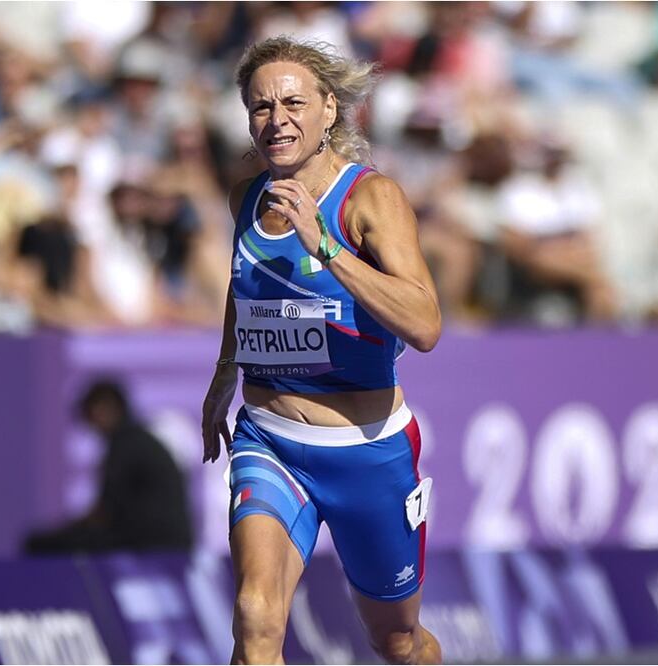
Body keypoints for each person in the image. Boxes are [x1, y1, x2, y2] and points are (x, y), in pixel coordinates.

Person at [200, 37, 442, 665]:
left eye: (293, 103)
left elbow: (424, 325)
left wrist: (325, 246)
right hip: (271, 439)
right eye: (259, 107)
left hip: (365, 450)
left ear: (329, 109)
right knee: (256, 620)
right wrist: (223, 381)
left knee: (397, 642)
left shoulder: (370, 199)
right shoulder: (245, 197)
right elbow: (247, 288)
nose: (276, 120)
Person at [25, 379, 193, 554]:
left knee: (41, 545)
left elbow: (106, 513)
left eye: (90, 413)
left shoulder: (125, 446)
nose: (89, 423)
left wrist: (70, 529)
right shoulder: (139, 441)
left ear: (106, 407)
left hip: (149, 542)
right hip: (168, 541)